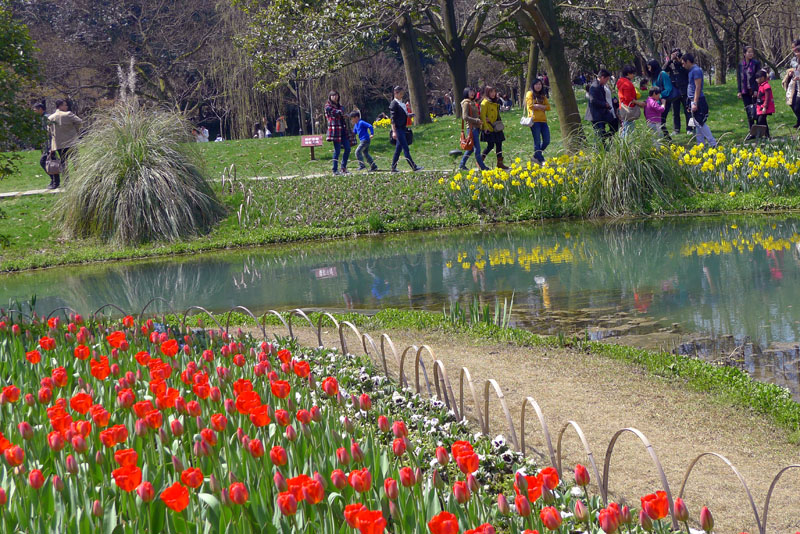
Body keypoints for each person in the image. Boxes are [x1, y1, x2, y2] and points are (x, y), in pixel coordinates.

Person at [46, 99, 82, 189]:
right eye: (65, 105)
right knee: (75, 161)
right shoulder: (68, 114)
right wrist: (75, 130)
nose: (66, 107)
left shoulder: (50, 118)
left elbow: (48, 131)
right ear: (60, 106)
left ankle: (66, 182)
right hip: (71, 142)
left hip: (58, 144)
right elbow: (79, 121)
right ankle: (81, 179)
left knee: (63, 163)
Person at [682, 53, 717, 147]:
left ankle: (713, 143)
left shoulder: (696, 70)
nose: (683, 65)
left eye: (683, 63)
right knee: (697, 124)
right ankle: (701, 145)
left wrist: (695, 103)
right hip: (692, 99)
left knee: (700, 123)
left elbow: (698, 87)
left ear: (688, 62)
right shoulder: (691, 70)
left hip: (697, 100)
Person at [389, 86, 422, 173]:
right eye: (400, 94)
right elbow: (392, 119)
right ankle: (413, 166)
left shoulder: (401, 103)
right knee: (405, 148)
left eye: (402, 94)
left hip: (403, 128)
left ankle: (393, 167)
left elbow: (401, 115)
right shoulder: (394, 104)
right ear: (395, 93)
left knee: (398, 149)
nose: (401, 95)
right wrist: (394, 132)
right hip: (398, 129)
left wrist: (409, 115)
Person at [458, 87, 488, 171]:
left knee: (470, 148)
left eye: (473, 91)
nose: (472, 93)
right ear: (466, 93)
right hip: (472, 128)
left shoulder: (473, 102)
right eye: (470, 92)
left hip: (476, 127)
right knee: (477, 149)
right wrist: (476, 120)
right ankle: (482, 167)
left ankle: (461, 165)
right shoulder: (466, 103)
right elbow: (465, 116)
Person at [663, 48, 692, 134]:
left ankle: (690, 128)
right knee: (675, 112)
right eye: (674, 54)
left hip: (684, 90)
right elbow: (663, 70)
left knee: (688, 111)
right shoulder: (670, 64)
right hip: (674, 91)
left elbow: (687, 71)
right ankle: (676, 129)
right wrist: (670, 61)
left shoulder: (684, 63)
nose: (676, 56)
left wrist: (680, 61)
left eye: (677, 54)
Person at [479, 86, 508, 169]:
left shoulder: (495, 102)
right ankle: (480, 161)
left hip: (496, 127)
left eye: (494, 92)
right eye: (491, 92)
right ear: (487, 92)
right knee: (490, 145)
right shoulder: (484, 103)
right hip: (489, 128)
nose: (493, 94)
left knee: (499, 144)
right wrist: (485, 127)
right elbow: (483, 116)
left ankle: (500, 163)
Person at [647, 60, 675, 139]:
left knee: (661, 121)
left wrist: (660, 96)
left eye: (650, 67)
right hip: (656, 102)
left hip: (664, 101)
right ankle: (663, 139)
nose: (649, 70)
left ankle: (667, 140)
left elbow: (668, 88)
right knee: (658, 121)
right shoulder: (654, 77)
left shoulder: (663, 74)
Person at [325, 90, 352, 175]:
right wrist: (340, 112)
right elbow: (334, 112)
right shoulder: (327, 106)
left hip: (343, 130)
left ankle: (343, 168)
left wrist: (344, 114)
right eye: (333, 95)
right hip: (335, 131)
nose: (335, 97)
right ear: (330, 97)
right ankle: (335, 170)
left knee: (347, 148)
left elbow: (342, 111)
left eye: (336, 95)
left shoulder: (340, 106)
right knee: (337, 150)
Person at [526, 79, 551, 164]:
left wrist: (538, 106)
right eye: (536, 84)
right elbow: (530, 106)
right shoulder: (530, 94)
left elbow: (548, 107)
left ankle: (536, 156)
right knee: (537, 141)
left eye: (540, 84)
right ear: (533, 85)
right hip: (534, 121)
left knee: (547, 140)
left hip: (543, 121)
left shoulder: (542, 95)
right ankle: (541, 160)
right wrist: (541, 106)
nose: (538, 86)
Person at [587, 69, 616, 140]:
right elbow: (593, 100)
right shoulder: (594, 86)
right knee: (599, 134)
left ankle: (607, 138)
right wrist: (604, 104)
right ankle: (600, 149)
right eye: (607, 79)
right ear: (602, 77)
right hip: (596, 115)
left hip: (602, 113)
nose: (607, 81)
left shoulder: (600, 85)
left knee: (614, 125)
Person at [737, 46, 762, 131]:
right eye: (749, 52)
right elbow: (739, 78)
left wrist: (756, 90)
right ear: (744, 54)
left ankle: (760, 130)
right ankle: (752, 130)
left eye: (752, 52)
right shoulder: (740, 64)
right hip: (745, 91)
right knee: (749, 111)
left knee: (757, 110)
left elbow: (758, 77)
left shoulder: (756, 63)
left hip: (753, 90)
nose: (751, 54)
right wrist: (739, 91)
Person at [617, 65, 645, 138]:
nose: (633, 75)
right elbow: (628, 98)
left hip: (622, 107)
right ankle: (625, 146)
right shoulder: (627, 84)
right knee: (628, 129)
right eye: (632, 73)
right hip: (628, 109)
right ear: (628, 73)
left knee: (625, 126)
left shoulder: (621, 81)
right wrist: (639, 103)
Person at [782, 41, 800, 128]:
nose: (794, 50)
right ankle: (799, 120)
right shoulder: (794, 59)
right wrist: (791, 71)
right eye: (793, 48)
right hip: (795, 84)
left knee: (797, 105)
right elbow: (792, 66)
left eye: (796, 47)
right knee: (792, 103)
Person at [754, 69, 774, 139]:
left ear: (762, 78)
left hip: (764, 107)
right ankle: (767, 135)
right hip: (760, 107)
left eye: (757, 78)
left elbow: (767, 98)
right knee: (763, 121)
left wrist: (765, 107)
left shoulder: (766, 86)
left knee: (761, 120)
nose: (756, 80)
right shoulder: (761, 86)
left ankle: (763, 135)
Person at [33, 103, 50, 182]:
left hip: (49, 145)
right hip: (45, 145)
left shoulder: (46, 118)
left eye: (35, 110)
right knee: (49, 163)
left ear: (40, 109)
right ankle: (54, 181)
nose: (34, 112)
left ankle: (55, 181)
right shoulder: (42, 118)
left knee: (45, 162)